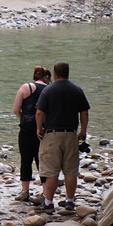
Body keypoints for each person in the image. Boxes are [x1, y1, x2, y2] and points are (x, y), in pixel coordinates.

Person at [35, 61, 90, 214]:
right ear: (68, 72)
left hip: (52, 135)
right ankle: (70, 201)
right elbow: (84, 112)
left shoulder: (48, 90)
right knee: (71, 170)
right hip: (71, 134)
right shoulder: (77, 90)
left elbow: (39, 113)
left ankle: (48, 203)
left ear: (54, 73)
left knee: (51, 171)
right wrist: (83, 130)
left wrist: (39, 128)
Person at [12, 65, 52, 203]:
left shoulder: (26, 87)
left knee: (26, 159)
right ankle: (45, 193)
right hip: (44, 129)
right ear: (47, 77)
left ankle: (25, 192)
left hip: (26, 128)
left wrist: (24, 118)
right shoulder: (49, 89)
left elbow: (16, 109)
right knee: (43, 161)